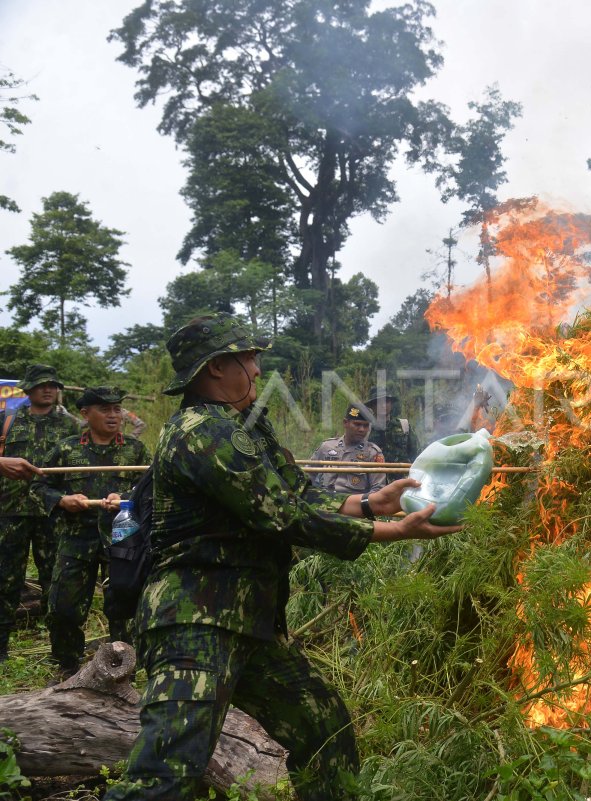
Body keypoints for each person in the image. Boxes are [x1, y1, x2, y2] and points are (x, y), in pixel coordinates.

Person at [104, 313, 462, 800]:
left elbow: (295, 491)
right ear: (215, 368)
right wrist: (390, 530)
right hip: (195, 620)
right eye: (248, 358)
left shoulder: (243, 426)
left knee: (323, 729)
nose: (256, 369)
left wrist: (367, 503)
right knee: (166, 773)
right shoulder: (202, 431)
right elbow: (282, 516)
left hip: (250, 620)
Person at [32, 386, 149, 676]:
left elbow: (151, 491)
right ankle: (67, 666)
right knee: (63, 607)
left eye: (117, 409)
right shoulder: (67, 449)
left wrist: (125, 498)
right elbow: (38, 487)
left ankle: (123, 669)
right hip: (76, 537)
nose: (113, 415)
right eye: (105, 409)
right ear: (86, 414)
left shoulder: (135, 449)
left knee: (123, 606)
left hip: (123, 535)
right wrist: (62, 500)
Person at [0, 365, 80, 662]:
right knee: (6, 580)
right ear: (28, 389)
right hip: (11, 511)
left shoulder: (71, 425)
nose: (48, 389)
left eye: (53, 385)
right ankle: (1, 649)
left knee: (54, 581)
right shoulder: (7, 420)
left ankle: (58, 649)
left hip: (53, 512)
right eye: (42, 385)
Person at [310, 404, 387, 494]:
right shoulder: (327, 447)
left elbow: (378, 490)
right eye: (357, 424)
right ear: (345, 423)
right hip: (323, 502)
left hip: (353, 504)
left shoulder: (372, 453)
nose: (361, 429)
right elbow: (309, 475)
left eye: (365, 426)